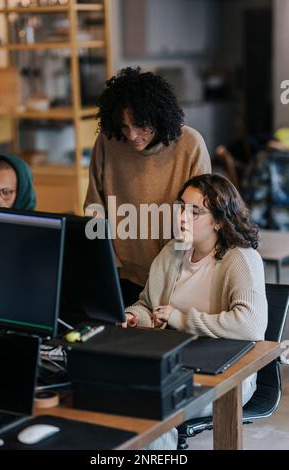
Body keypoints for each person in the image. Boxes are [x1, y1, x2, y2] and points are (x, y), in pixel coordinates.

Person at [124, 173, 268, 449]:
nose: (182, 216)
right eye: (180, 207)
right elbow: (149, 305)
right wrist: (134, 316)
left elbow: (250, 325)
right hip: (176, 362)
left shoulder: (241, 258)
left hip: (227, 374)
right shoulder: (173, 251)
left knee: (152, 408)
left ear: (218, 220)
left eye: (195, 211)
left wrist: (181, 319)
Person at [84, 67, 211, 306]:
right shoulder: (107, 142)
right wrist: (109, 263)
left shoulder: (190, 144)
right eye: (123, 126)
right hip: (124, 275)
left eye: (140, 125)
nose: (132, 135)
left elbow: (201, 214)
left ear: (158, 116)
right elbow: (94, 206)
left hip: (176, 275)